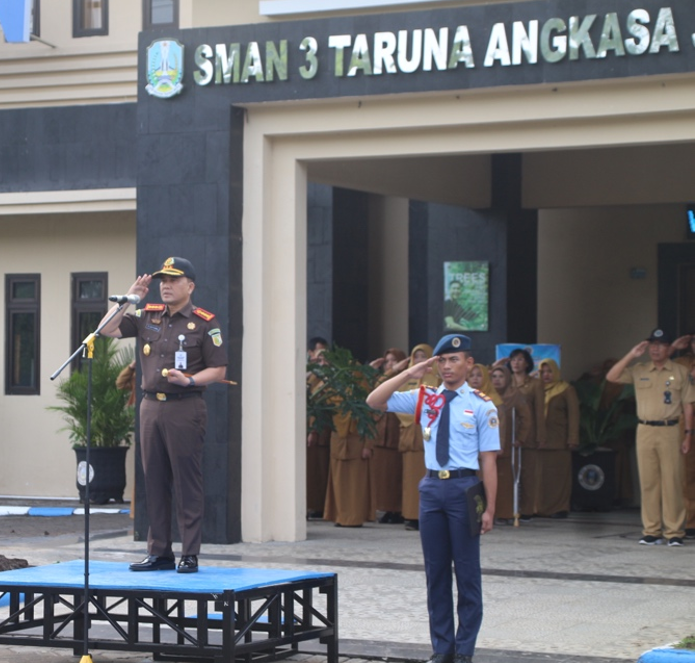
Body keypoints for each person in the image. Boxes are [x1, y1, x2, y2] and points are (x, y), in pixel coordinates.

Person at [367, 334, 500, 663]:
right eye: (441, 361)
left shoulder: (483, 405)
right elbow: (374, 400)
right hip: (431, 489)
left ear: (470, 364)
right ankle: (443, 649)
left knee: (467, 573)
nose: (447, 366)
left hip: (464, 489)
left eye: (454, 360)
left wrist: (490, 509)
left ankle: (464, 649)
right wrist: (409, 374)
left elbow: (489, 461)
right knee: (436, 573)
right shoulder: (426, 397)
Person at [99, 257, 228, 572]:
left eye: (173, 280)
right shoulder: (147, 316)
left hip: (185, 405)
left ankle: (189, 553)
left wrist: (192, 380)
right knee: (153, 480)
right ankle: (159, 552)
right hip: (150, 407)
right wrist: (130, 298)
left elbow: (219, 369)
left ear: (190, 285)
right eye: (162, 281)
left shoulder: (204, 322)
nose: (166, 286)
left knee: (187, 482)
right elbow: (105, 330)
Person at [606, 329, 694, 546]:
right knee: (648, 482)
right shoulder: (640, 369)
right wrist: (631, 354)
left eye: (661, 345)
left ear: (669, 349)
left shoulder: (680, 371)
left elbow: (688, 404)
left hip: (670, 430)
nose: (655, 349)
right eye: (652, 344)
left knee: (672, 481)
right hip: (645, 430)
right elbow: (612, 376)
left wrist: (688, 434)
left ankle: (674, 532)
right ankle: (652, 530)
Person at [395, 344, 441, 531]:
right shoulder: (406, 379)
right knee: (410, 477)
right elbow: (394, 399)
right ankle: (411, 515)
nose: (420, 360)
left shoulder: (437, 380)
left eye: (424, 356)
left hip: (430, 434)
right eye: (417, 356)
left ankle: (429, 515)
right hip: (409, 432)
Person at [504, 348, 546, 520]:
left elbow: (539, 412)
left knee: (527, 473)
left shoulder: (535, 384)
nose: (516, 363)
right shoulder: (506, 382)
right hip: (508, 434)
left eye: (520, 359)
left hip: (527, 435)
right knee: (509, 472)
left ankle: (527, 509)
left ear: (527, 363)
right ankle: (509, 507)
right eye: (513, 359)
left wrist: (540, 436)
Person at [368, 348, 408, 524]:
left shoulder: (402, 379)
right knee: (383, 477)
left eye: (393, 360)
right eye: (387, 361)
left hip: (396, 434)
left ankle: (398, 509)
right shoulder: (383, 379)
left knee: (396, 476)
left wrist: (396, 372)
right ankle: (387, 508)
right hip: (380, 434)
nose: (390, 364)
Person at [537, 359, 579, 518]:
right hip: (540, 442)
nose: (546, 375)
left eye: (549, 372)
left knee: (558, 477)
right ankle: (540, 508)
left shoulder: (566, 389)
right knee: (541, 478)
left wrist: (573, 438)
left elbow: (574, 415)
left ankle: (559, 508)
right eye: (542, 372)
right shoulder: (537, 389)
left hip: (559, 441)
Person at [490, 365, 531, 523]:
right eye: (494, 376)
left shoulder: (515, 395)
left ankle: (505, 513)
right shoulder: (487, 395)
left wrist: (521, 437)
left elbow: (525, 417)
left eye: (501, 376)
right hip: (488, 444)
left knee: (505, 481)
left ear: (507, 378)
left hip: (508, 443)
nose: (497, 380)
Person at [671, 334, 695, 539]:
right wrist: (672, 348)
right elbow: (660, 371)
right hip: (686, 423)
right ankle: (690, 520)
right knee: (687, 473)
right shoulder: (681, 363)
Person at [306, 337, 330, 519]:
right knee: (312, 471)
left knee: (321, 470)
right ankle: (311, 506)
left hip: (324, 430)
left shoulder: (331, 376)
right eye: (319, 355)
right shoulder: (309, 374)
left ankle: (321, 506)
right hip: (307, 428)